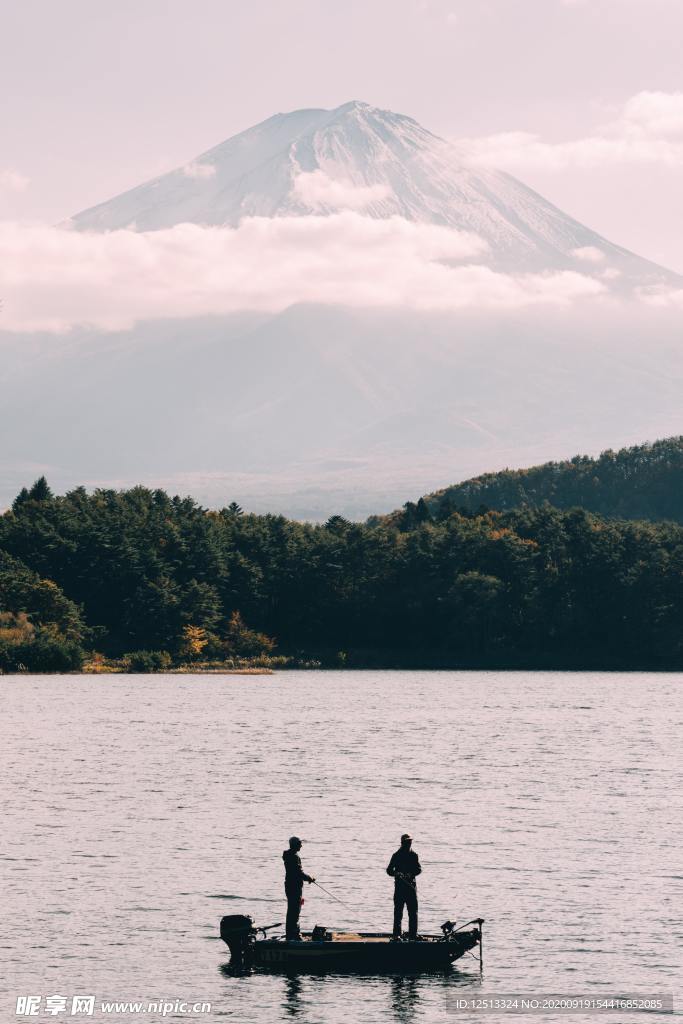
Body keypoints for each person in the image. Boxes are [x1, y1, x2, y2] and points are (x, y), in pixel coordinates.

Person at [386, 833, 421, 939]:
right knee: (398, 913)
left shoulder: (414, 855)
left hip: (411, 889)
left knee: (413, 913)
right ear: (402, 843)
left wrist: (411, 874)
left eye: (410, 842)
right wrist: (396, 873)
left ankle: (413, 935)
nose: (409, 844)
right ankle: (396, 935)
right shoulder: (396, 855)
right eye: (407, 842)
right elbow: (389, 870)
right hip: (399, 889)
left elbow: (419, 869)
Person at [282, 836, 315, 940]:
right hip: (294, 887)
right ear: (295, 845)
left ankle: (290, 934)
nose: (301, 846)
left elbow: (296, 872)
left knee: (292, 910)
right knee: (295, 911)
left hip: (290, 886)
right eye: (299, 844)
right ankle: (294, 935)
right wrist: (309, 878)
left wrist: (307, 878)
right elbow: (298, 873)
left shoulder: (289, 855)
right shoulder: (294, 857)